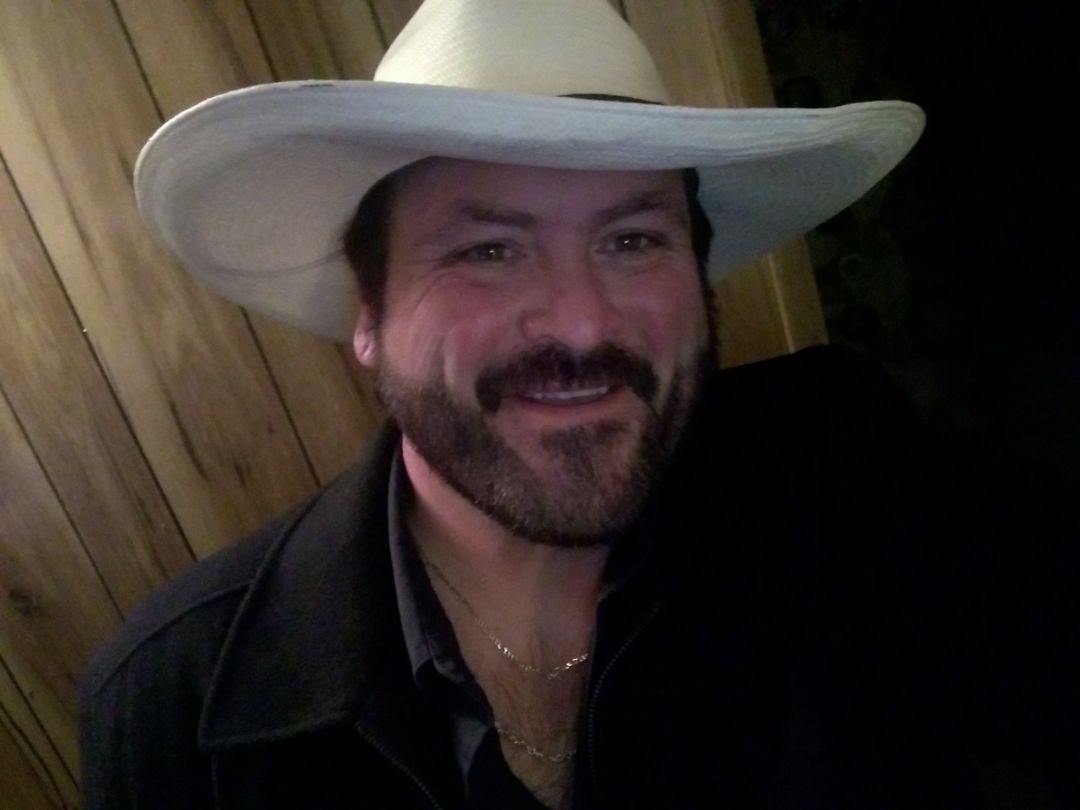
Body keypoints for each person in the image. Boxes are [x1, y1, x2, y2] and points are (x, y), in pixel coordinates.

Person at [79, 1, 1078, 808]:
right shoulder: (179, 704)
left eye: (632, 240)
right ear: (368, 315)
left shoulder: (840, 468)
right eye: (489, 249)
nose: (582, 322)